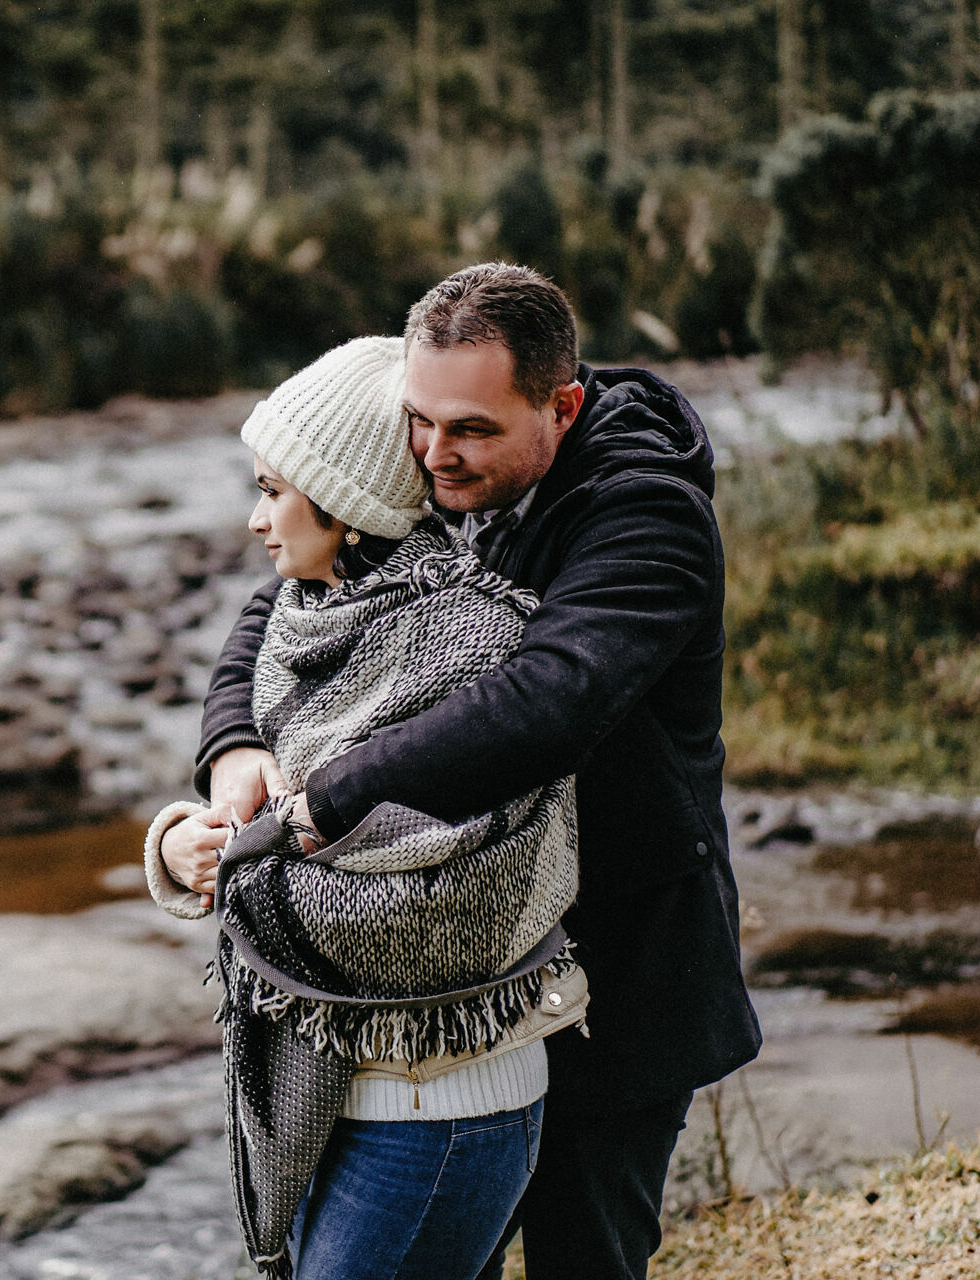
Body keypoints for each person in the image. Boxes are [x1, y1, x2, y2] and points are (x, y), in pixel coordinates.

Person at [195, 264, 762, 1280]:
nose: (433, 456)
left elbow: (552, 698)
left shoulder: (649, 517)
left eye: (469, 430)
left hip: (621, 967)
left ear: (562, 404)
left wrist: (332, 796)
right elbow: (284, 602)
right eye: (419, 421)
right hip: (463, 990)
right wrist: (236, 743)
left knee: (587, 1258)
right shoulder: (449, 468)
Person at [143, 335, 590, 1280]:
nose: (256, 520)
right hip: (324, 1087)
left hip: (443, 1106)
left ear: (343, 507)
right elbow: (272, 806)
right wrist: (188, 836)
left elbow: (441, 901)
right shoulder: (305, 612)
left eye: (273, 491)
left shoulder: (470, 638)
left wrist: (243, 864)